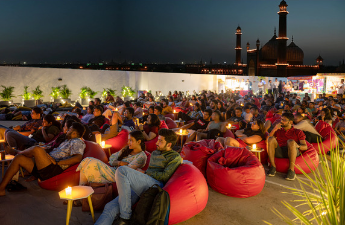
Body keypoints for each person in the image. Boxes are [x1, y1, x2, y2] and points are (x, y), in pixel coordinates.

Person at [95, 129, 181, 225]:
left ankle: (125, 217)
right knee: (110, 207)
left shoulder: (175, 157)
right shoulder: (156, 152)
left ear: (169, 144)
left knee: (122, 170)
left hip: (156, 185)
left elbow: (165, 176)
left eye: (160, 141)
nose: (157, 143)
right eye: (158, 139)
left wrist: (145, 173)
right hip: (144, 183)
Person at [0, 122, 86, 196]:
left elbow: (77, 158)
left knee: (37, 149)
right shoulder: (68, 141)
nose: (67, 131)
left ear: (74, 133)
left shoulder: (77, 141)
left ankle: (16, 151)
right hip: (46, 165)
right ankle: (1, 189)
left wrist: (57, 162)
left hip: (53, 168)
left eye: (69, 129)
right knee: (19, 158)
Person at [77, 130, 147, 186]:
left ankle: (81, 192)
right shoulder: (127, 149)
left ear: (139, 142)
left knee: (90, 162)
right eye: (128, 140)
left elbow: (127, 170)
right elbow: (112, 158)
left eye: (131, 140)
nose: (128, 143)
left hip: (118, 176)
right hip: (112, 170)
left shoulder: (141, 156)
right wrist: (120, 163)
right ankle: (81, 190)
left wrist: (117, 163)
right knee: (87, 160)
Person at [267, 113, 308, 181]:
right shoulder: (278, 130)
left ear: (290, 122)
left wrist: (296, 145)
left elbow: (305, 147)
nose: (281, 121)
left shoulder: (298, 132)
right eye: (281, 119)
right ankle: (273, 167)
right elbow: (268, 140)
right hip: (280, 151)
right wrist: (274, 129)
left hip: (292, 151)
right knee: (270, 139)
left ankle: (291, 170)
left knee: (290, 141)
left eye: (284, 120)